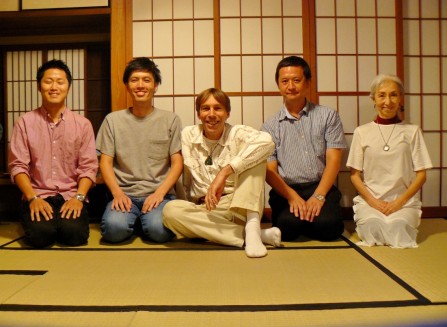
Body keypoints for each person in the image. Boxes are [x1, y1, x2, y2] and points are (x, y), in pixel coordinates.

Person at [163, 88, 281, 258]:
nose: (211, 114)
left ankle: (253, 225)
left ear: (227, 113)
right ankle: (255, 235)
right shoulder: (189, 135)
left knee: (257, 158)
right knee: (170, 211)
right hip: (207, 210)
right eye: (205, 108)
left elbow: (267, 142)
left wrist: (224, 172)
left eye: (218, 108)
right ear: (198, 114)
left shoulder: (237, 133)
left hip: (239, 206)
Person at [8, 59, 98, 248]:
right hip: (37, 193)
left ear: (68, 86)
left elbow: (89, 167)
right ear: (39, 87)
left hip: (71, 195)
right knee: (41, 237)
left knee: (74, 236)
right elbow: (18, 166)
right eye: (48, 81)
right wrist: (33, 198)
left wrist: (79, 198)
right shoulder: (25, 122)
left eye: (60, 82)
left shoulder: (82, 125)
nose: (54, 87)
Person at [96, 57, 182, 243]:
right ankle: (134, 220)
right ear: (127, 85)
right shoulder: (113, 120)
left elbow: (177, 162)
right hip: (123, 193)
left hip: (159, 195)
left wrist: (159, 193)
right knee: (114, 231)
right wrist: (117, 193)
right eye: (134, 80)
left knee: (159, 232)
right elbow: (105, 161)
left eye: (146, 80)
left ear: (156, 85)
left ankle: (142, 221)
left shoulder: (171, 120)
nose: (140, 85)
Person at [261, 56, 346, 242]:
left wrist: (319, 196)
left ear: (307, 82)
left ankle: (314, 220)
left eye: (296, 80)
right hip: (286, 190)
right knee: (287, 229)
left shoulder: (328, 116)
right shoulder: (269, 126)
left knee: (329, 228)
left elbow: (334, 160)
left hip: (320, 185)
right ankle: (305, 220)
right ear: (278, 85)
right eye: (285, 81)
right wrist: (292, 196)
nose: (290, 86)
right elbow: (270, 171)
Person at [346, 74, 432, 248]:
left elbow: (421, 174)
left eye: (393, 95)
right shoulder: (362, 132)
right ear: (373, 99)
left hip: (403, 201)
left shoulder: (412, 131)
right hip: (371, 200)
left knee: (398, 227)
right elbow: (354, 175)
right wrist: (373, 202)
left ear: (400, 98)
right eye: (382, 95)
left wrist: (398, 202)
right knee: (372, 226)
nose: (388, 101)